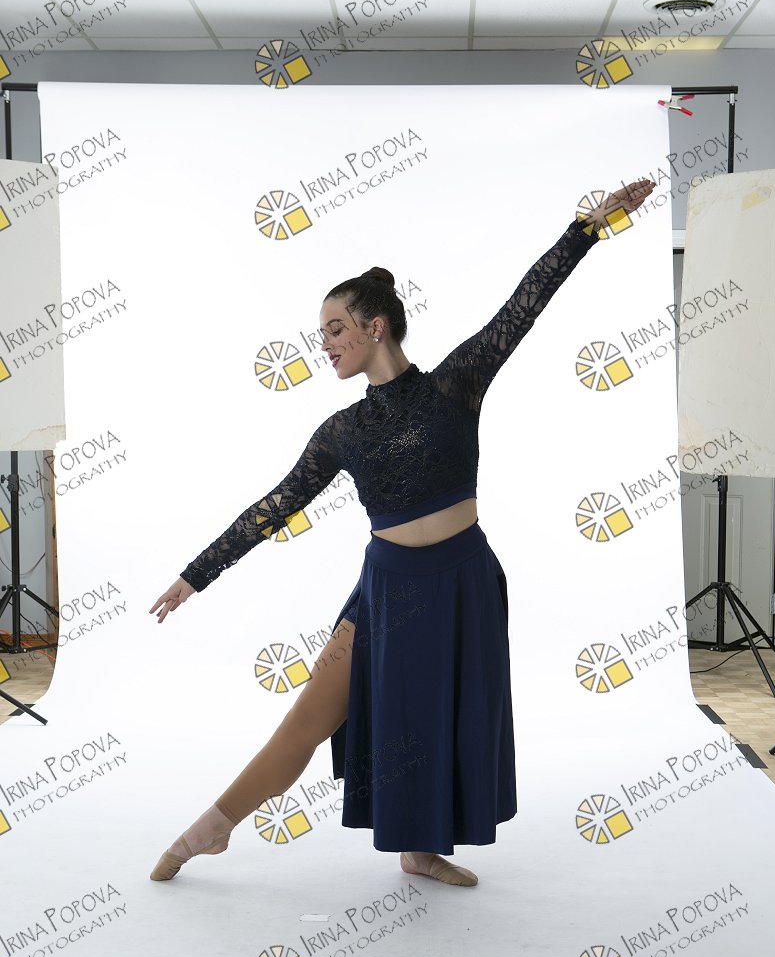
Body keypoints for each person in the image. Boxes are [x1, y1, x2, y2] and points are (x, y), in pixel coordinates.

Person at [149, 178, 657, 888]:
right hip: (387, 592)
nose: (325, 345)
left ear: (375, 327)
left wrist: (588, 228)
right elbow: (275, 506)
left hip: (464, 580)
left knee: (437, 721)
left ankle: (419, 851)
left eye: (335, 329)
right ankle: (211, 829)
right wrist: (194, 575)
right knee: (310, 717)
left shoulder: (455, 386)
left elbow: (524, 304)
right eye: (322, 334)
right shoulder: (342, 431)